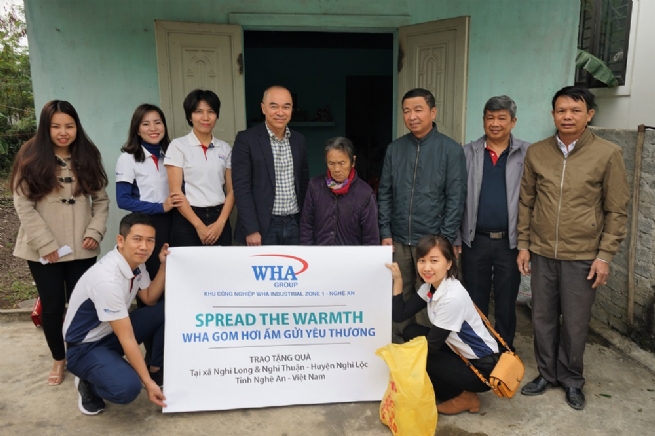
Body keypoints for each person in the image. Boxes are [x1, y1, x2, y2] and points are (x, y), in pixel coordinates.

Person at [517, 86, 629, 410]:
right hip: (542, 252)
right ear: (553, 114)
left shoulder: (608, 154)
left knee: (576, 322)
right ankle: (547, 373)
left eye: (575, 110)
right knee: (542, 318)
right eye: (561, 110)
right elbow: (526, 202)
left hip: (582, 255)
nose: (568, 116)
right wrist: (523, 244)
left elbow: (616, 210)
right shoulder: (537, 152)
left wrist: (604, 255)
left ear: (589, 115)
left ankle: (571, 379)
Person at [10, 100, 109, 386]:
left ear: (77, 127)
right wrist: (46, 243)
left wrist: (95, 231)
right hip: (43, 250)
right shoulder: (30, 156)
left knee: (83, 305)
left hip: (82, 245)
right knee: (53, 305)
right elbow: (23, 204)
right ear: (46, 128)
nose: (63, 132)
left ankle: (81, 353)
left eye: (69, 126)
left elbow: (101, 200)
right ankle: (58, 357)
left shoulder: (87, 155)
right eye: (56, 126)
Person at [378, 88, 467, 343]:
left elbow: (455, 198)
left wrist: (444, 240)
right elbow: (384, 192)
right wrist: (385, 231)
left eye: (418, 110)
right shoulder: (395, 149)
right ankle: (402, 348)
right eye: (407, 111)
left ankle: (433, 352)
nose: (412, 116)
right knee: (399, 295)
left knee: (434, 297)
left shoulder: (450, 150)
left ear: (433, 112)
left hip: (431, 243)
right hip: (398, 240)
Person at [63, 212, 168, 415]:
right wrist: (147, 383)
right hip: (84, 348)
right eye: (137, 239)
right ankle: (88, 381)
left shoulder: (136, 263)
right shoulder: (107, 280)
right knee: (127, 389)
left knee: (166, 310)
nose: (144, 246)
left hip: (109, 334)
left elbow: (149, 298)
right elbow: (126, 337)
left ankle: (155, 368)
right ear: (121, 240)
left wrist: (163, 265)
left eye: (150, 240)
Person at [387, 234, 500, 415]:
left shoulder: (451, 298)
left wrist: (403, 362)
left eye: (434, 260)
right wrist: (398, 280)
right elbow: (400, 315)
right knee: (411, 332)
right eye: (422, 260)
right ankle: (452, 387)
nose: (427, 267)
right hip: (459, 352)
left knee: (419, 357)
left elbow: (431, 347)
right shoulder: (431, 286)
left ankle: (464, 396)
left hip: (482, 368)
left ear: (449, 263)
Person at [458, 96, 530, 348]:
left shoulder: (527, 153)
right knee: (474, 299)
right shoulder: (468, 152)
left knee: (506, 300)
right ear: (483, 120)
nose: (495, 123)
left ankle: (504, 349)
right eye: (490, 118)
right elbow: (456, 196)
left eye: (502, 118)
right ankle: (479, 349)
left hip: (509, 242)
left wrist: (526, 243)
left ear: (513, 121)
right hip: (474, 240)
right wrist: (456, 237)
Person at [232, 85, 309, 246]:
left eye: (286, 107)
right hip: (263, 227)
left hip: (295, 223)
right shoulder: (246, 139)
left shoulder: (299, 140)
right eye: (274, 106)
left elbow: (303, 183)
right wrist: (251, 229)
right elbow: (241, 187)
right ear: (263, 108)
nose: (280, 112)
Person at [165, 89, 234, 247]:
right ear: (190, 116)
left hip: (219, 217)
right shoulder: (178, 146)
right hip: (188, 219)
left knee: (220, 262)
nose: (205, 117)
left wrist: (221, 222)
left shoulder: (224, 148)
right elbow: (176, 192)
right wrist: (199, 226)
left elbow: (232, 191)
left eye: (211, 111)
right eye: (199, 112)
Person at [300, 137, 379, 245]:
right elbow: (306, 228)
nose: (336, 169)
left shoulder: (365, 194)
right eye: (331, 163)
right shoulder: (315, 187)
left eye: (342, 163)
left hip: (351, 255)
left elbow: (371, 238)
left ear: (353, 162)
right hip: (320, 254)